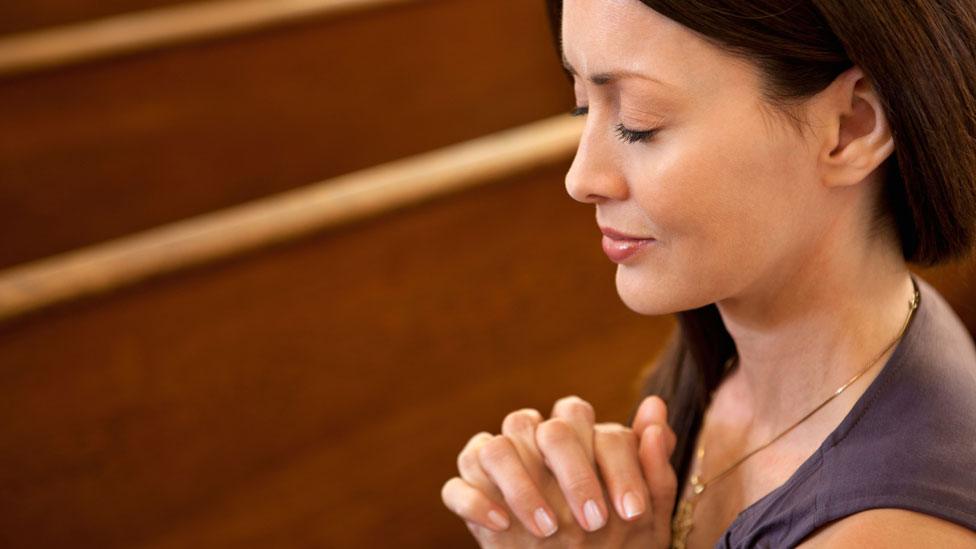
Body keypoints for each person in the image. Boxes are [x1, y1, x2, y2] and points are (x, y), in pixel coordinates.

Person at [441, 0, 976, 547]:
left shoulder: (888, 532)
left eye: (638, 123)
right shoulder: (741, 334)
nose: (581, 178)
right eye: (582, 108)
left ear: (850, 127)